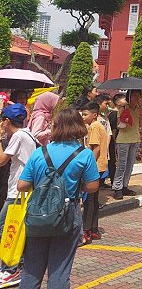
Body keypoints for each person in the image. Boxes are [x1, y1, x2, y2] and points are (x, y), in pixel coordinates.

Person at [18, 108, 100, 289]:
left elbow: (22, 185)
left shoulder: (40, 152)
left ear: (57, 127)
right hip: (67, 213)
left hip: (38, 214)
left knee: (31, 269)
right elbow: (93, 186)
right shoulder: (84, 154)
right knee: (60, 270)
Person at [0, 104, 37, 286]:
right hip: (23, 189)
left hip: (18, 191)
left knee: (7, 228)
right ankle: (13, 266)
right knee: (14, 228)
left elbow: (1, 160)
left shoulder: (19, 136)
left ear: (7, 121)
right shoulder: (27, 134)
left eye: (2, 120)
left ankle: (11, 268)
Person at [80, 102, 108, 244]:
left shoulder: (94, 126)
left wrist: (88, 166)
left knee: (89, 200)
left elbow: (95, 148)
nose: (83, 117)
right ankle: (94, 228)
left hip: (95, 166)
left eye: (85, 114)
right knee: (94, 199)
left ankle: (87, 230)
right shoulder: (97, 125)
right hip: (100, 166)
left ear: (94, 115)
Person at [111, 89, 142, 200]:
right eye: (134, 95)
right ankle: (117, 188)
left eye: (138, 95)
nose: (137, 97)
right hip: (123, 140)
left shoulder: (139, 109)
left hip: (135, 140)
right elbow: (119, 124)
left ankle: (125, 186)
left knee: (130, 166)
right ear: (129, 96)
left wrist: (141, 111)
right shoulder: (122, 108)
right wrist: (125, 115)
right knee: (121, 165)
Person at [106, 93, 124, 188]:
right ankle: (114, 180)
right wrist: (115, 140)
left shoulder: (119, 112)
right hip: (114, 141)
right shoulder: (114, 114)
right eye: (123, 99)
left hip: (116, 140)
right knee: (113, 161)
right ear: (118, 102)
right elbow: (113, 130)